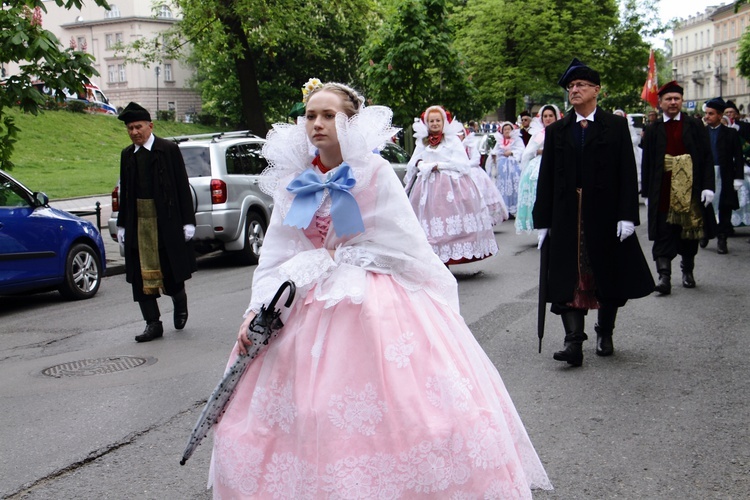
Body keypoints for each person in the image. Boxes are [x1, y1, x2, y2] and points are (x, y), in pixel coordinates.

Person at [208, 81, 552, 497]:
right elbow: (277, 252)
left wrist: (348, 260)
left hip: (370, 301)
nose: (317, 123)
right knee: (305, 411)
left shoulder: (374, 172)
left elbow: (404, 241)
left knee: (397, 409)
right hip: (303, 299)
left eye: (328, 115)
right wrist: (256, 308)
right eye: (310, 115)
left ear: (350, 122)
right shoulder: (292, 180)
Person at [533, 58, 654, 367]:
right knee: (566, 277)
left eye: (580, 85)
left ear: (596, 90)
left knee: (606, 274)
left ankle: (605, 330)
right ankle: (573, 342)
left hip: (604, 213)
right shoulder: (558, 130)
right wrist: (542, 221)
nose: (574, 90)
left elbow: (627, 171)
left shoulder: (614, 126)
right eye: (571, 86)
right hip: (566, 215)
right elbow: (546, 177)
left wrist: (628, 215)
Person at [115, 102, 196, 342]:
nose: (134, 132)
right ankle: (153, 323)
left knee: (170, 269)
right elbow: (125, 192)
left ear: (150, 126)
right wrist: (122, 224)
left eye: (138, 127)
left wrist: (187, 221)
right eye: (130, 128)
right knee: (139, 275)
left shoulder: (167, 149)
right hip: (138, 222)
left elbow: (182, 185)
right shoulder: (127, 155)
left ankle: (179, 300)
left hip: (166, 220)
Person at [641, 81, 715, 295]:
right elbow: (647, 163)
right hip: (662, 189)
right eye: (668, 99)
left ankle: (687, 270)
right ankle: (664, 277)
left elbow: (706, 157)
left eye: (677, 99)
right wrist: (646, 192)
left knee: (687, 233)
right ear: (661, 103)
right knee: (663, 233)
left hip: (689, 189)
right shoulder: (653, 128)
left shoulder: (694, 125)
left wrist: (708, 187)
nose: (673, 102)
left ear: (681, 101)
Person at [404, 105, 498, 264]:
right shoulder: (423, 141)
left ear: (443, 122)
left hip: (449, 186)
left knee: (448, 220)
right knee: (429, 223)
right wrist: (421, 165)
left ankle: (449, 255)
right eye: (431, 121)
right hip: (426, 187)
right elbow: (414, 161)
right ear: (426, 123)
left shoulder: (452, 139)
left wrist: (438, 165)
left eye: (437, 120)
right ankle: (433, 256)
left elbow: (462, 164)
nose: (434, 123)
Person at [702, 97, 744, 254]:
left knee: (724, 207)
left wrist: (738, 177)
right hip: (707, 175)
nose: (707, 117)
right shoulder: (702, 133)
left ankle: (722, 238)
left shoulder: (730, 133)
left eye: (711, 114)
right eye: (706, 113)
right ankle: (705, 233)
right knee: (705, 205)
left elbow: (738, 156)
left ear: (720, 115)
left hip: (725, 175)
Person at [515, 104, 560, 234]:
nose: (548, 118)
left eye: (551, 116)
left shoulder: (560, 131)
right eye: (545, 116)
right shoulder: (540, 134)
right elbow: (529, 152)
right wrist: (539, 152)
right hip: (538, 166)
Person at [460, 123, 509, 224]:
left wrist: (463, 165)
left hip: (472, 172)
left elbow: (476, 160)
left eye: (460, 134)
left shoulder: (470, 144)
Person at [491, 121, 524, 216]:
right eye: (505, 129)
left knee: (514, 186)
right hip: (501, 169)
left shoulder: (517, 140)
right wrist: (494, 156)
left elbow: (521, 150)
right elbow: (494, 151)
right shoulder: (499, 141)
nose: (507, 131)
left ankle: (514, 207)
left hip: (514, 167)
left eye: (509, 129)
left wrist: (512, 153)